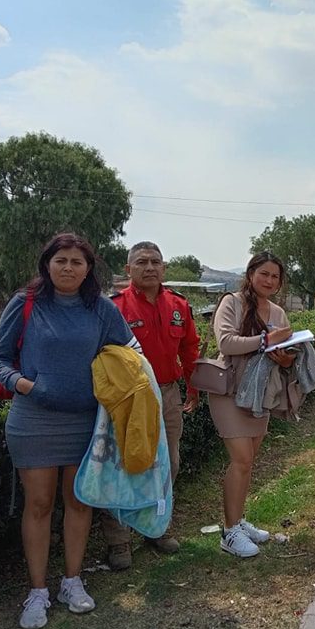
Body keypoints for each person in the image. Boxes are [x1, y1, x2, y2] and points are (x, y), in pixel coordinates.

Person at [0, 233, 140, 629]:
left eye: (77, 261)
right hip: (34, 420)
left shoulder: (102, 309)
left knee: (80, 502)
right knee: (38, 505)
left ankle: (72, 582)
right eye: (61, 261)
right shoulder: (26, 304)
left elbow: (132, 355)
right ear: (47, 265)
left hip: (87, 423)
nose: (68, 268)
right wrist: (25, 385)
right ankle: (37, 591)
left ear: (89, 268)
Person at [102, 241, 200, 569]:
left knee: (167, 463)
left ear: (164, 268)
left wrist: (193, 387)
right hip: (128, 399)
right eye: (141, 262)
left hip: (168, 394)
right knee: (122, 466)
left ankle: (157, 528)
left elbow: (190, 348)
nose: (150, 267)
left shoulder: (178, 305)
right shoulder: (114, 307)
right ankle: (119, 541)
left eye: (156, 262)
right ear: (128, 269)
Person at [208, 252, 294, 558]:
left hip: (261, 393)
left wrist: (286, 357)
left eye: (275, 276)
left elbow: (283, 351)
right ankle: (229, 533)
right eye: (264, 274)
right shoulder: (231, 302)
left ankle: (238, 520)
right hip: (230, 391)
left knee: (248, 461)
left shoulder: (278, 312)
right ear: (250, 274)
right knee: (241, 459)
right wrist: (265, 341)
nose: (269, 281)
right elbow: (226, 343)